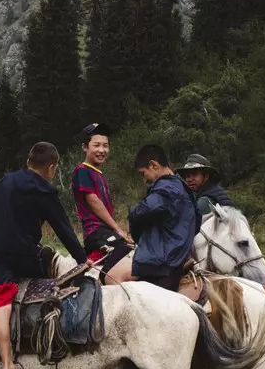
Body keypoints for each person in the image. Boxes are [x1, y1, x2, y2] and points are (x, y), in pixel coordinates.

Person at [0, 141, 88, 369]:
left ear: (29, 162)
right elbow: (63, 228)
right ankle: (44, 349)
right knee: (43, 292)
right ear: (51, 167)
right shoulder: (44, 190)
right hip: (23, 254)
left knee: (2, 300)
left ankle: (7, 365)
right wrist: (83, 259)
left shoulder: (5, 181)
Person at [127, 144, 200, 297]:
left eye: (143, 173)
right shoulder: (183, 187)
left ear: (153, 165)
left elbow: (143, 211)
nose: (144, 180)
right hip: (175, 262)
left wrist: (133, 216)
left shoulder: (166, 188)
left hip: (159, 265)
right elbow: (197, 223)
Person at [71, 124, 134, 284]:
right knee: (124, 249)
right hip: (96, 232)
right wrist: (118, 229)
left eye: (105, 146)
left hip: (105, 232)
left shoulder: (99, 174)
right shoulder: (82, 170)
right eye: (96, 145)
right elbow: (93, 201)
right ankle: (100, 281)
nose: (102, 150)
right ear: (85, 147)